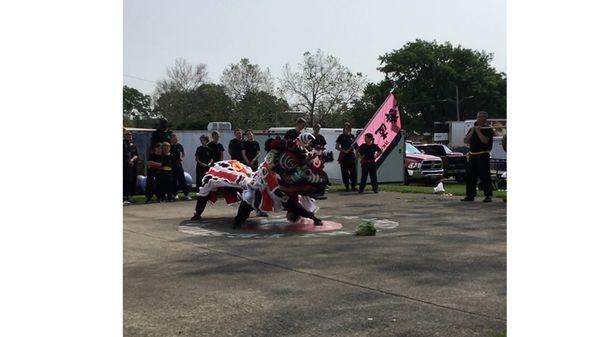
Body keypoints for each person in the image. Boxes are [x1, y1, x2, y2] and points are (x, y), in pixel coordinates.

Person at [462, 111, 494, 202]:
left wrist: (479, 131)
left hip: (483, 155)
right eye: (478, 117)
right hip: (472, 155)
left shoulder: (488, 129)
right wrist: (472, 131)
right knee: (470, 176)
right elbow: (466, 140)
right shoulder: (472, 128)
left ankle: (488, 195)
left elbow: (485, 141)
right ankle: (470, 195)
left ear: (485, 119)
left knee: (485, 176)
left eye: (482, 117)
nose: (480, 119)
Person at [335, 122, 358, 191]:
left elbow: (356, 146)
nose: (346, 129)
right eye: (345, 128)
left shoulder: (352, 136)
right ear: (343, 129)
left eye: (348, 128)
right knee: (345, 172)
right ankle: (347, 186)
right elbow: (336, 146)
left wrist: (357, 154)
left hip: (351, 155)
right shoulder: (341, 136)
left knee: (353, 172)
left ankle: (353, 186)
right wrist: (344, 151)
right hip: (344, 155)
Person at [169, 134, 192, 201]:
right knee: (173, 180)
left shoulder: (179, 146)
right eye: (173, 139)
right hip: (172, 165)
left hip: (178, 164)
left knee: (182, 179)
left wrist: (182, 157)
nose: (175, 140)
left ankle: (186, 194)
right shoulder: (169, 146)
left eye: (176, 138)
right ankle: (175, 194)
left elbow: (183, 153)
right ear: (171, 139)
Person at [123, 130, 139, 204]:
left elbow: (136, 154)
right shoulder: (123, 143)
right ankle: (125, 196)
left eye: (130, 135)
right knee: (127, 180)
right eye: (127, 135)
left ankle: (130, 195)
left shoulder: (133, 145)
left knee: (133, 179)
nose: (129, 136)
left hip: (133, 164)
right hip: (126, 165)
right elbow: (126, 153)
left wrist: (132, 160)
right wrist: (129, 161)